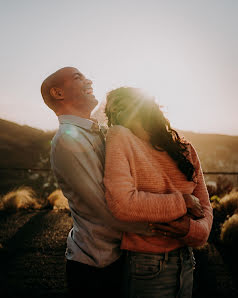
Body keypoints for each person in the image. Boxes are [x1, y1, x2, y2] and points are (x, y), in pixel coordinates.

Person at [41, 67, 201, 297]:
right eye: (78, 77)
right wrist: (168, 228)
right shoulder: (67, 141)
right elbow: (107, 208)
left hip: (120, 258)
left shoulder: (99, 131)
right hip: (96, 266)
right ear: (58, 93)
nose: (89, 80)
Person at [104, 87, 213, 298]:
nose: (116, 109)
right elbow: (122, 204)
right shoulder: (119, 136)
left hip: (187, 259)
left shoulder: (185, 148)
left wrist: (192, 230)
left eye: (122, 101)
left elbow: (205, 207)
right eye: (111, 108)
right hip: (147, 264)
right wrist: (183, 202)